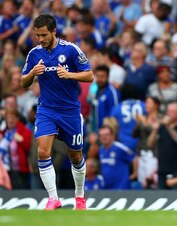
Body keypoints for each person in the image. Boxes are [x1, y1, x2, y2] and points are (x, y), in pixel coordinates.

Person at [21, 14, 94, 210]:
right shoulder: (34, 54)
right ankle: (53, 199)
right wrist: (32, 74)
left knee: (75, 156)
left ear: (54, 31)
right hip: (46, 110)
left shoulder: (71, 50)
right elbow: (23, 82)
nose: (40, 39)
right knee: (43, 151)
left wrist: (69, 74)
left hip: (70, 111)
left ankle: (79, 196)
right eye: (37, 35)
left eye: (44, 34)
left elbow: (90, 75)